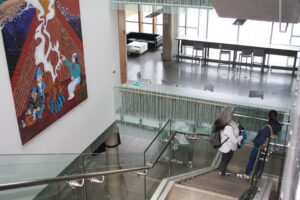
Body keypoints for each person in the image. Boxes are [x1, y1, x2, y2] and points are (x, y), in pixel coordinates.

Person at [238, 110, 282, 179]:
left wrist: (255, 141)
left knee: (252, 160)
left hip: (258, 146)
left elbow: (261, 140)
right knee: (260, 161)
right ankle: (255, 175)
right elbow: (275, 134)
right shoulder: (278, 126)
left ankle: (247, 174)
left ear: (268, 116)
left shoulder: (267, 127)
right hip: (266, 147)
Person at [214, 107, 243, 176]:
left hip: (230, 146)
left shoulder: (230, 122)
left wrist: (237, 127)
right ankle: (222, 174)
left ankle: (223, 171)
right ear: (228, 114)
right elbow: (235, 141)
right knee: (225, 160)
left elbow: (234, 130)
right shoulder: (228, 126)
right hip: (227, 147)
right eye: (232, 113)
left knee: (225, 160)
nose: (233, 114)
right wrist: (241, 137)